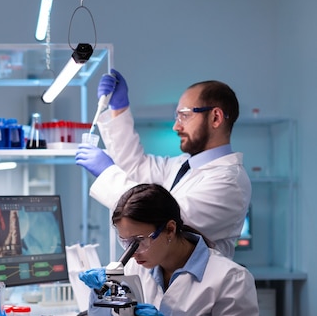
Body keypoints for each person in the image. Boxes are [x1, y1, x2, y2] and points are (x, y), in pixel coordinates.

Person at [79, 183, 265, 316]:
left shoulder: (230, 278)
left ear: (170, 229)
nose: (132, 252)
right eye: (125, 241)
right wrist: (99, 291)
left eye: (139, 241)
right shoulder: (137, 267)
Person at [75, 70, 251, 258]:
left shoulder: (230, 182)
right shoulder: (182, 166)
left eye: (184, 115)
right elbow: (136, 167)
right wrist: (119, 108)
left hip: (197, 286)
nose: (176, 126)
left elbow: (164, 217)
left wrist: (107, 173)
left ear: (215, 117)